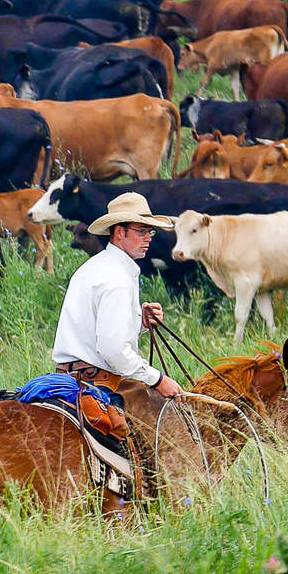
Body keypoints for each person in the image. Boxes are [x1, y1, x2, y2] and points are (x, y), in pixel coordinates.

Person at [51, 191, 182, 447]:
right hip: (99, 383)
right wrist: (158, 379)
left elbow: (94, 331)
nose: (148, 239)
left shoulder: (97, 267)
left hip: (70, 376)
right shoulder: (117, 279)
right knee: (165, 438)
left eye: (150, 232)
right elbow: (113, 351)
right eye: (141, 231)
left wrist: (140, 323)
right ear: (119, 232)